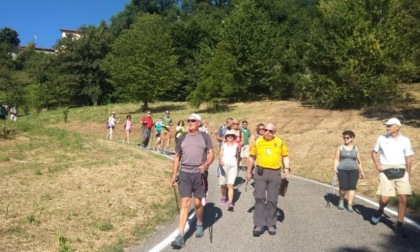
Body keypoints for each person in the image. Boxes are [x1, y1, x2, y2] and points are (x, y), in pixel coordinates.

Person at [171, 113, 214, 249]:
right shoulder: (182, 137)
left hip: (199, 174)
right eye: (188, 120)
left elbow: (211, 153)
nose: (190, 122)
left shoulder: (205, 137)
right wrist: (174, 174)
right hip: (185, 174)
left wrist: (206, 164)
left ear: (199, 123)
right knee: (185, 203)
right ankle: (180, 236)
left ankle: (200, 223)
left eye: (193, 120)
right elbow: (177, 156)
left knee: (197, 203)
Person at [371, 118, 414, 238]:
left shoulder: (405, 140)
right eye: (387, 125)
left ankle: (399, 225)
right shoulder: (382, 138)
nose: (387, 127)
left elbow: (409, 157)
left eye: (390, 125)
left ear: (397, 127)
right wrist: (377, 163)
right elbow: (373, 152)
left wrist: (408, 174)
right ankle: (380, 210)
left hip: (401, 169)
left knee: (403, 199)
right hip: (386, 169)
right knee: (385, 199)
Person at [246, 122, 290, 237]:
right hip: (260, 173)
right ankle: (259, 224)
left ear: (274, 132)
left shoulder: (279, 142)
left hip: (275, 173)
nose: (267, 132)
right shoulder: (258, 141)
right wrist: (249, 171)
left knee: (272, 199)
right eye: (265, 130)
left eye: (270, 131)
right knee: (259, 198)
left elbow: (285, 156)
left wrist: (287, 168)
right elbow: (252, 157)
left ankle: (271, 223)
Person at [333, 130, 365, 212]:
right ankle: (341, 200)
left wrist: (362, 171)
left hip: (354, 170)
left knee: (352, 188)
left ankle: (349, 205)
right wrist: (335, 168)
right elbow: (336, 159)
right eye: (344, 138)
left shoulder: (356, 148)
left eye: (347, 138)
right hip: (342, 170)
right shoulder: (340, 147)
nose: (345, 139)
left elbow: (359, 161)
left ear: (352, 138)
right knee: (343, 187)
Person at [218, 130, 240, 211]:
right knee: (223, 184)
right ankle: (224, 196)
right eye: (228, 136)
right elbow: (220, 154)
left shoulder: (236, 145)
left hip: (233, 165)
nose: (230, 137)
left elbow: (238, 156)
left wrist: (237, 165)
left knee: (230, 185)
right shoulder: (223, 145)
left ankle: (230, 203)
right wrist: (220, 161)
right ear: (226, 137)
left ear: (233, 137)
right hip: (224, 165)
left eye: (231, 136)